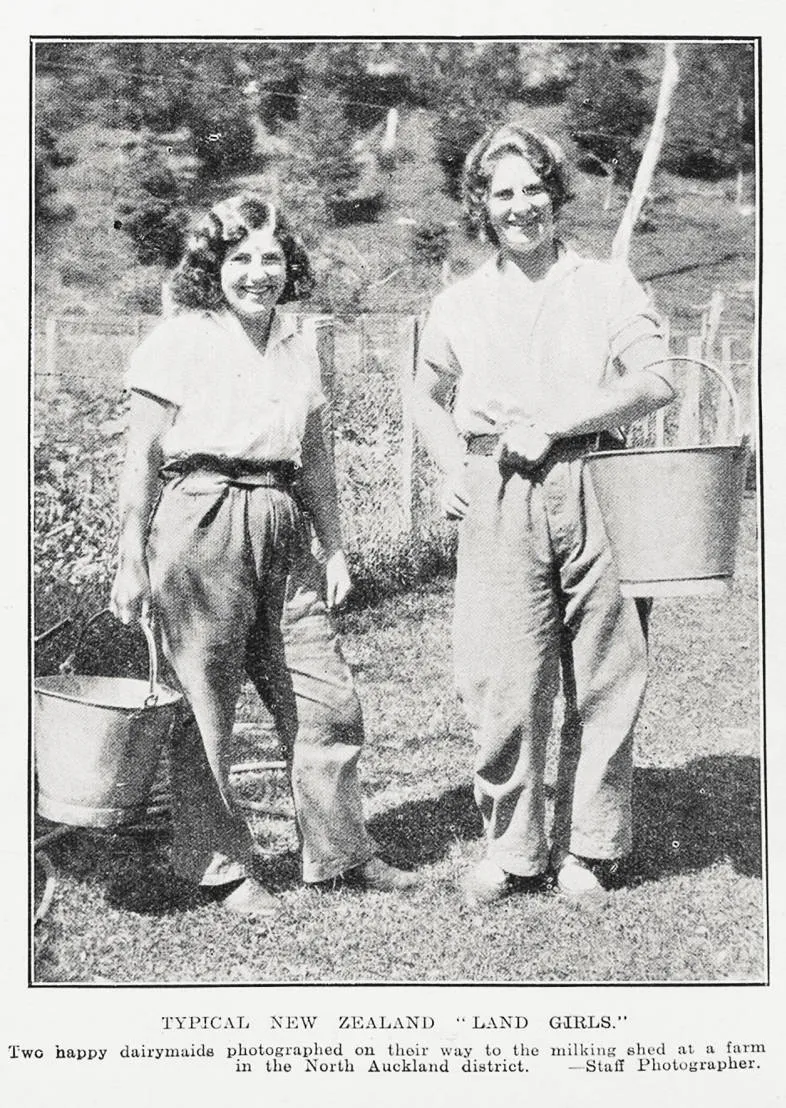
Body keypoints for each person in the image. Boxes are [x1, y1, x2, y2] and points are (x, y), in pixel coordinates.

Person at [111, 193, 415, 919]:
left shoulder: (298, 341)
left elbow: (316, 459)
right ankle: (220, 868)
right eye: (240, 257)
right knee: (205, 703)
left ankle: (341, 852)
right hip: (201, 515)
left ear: (290, 264)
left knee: (326, 695)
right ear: (212, 266)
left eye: (271, 257)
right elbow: (142, 457)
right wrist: (130, 559)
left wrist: (334, 547)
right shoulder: (180, 339)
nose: (258, 273)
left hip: (282, 517)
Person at [411, 123, 675, 907]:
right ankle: (513, 849)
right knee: (502, 677)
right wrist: (450, 465)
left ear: (556, 195)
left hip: (597, 478)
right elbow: (424, 395)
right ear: (481, 205)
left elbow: (654, 380)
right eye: (503, 193)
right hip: (498, 487)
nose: (520, 205)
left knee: (606, 670)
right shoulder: (459, 302)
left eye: (533, 188)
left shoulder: (607, 285)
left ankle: (592, 848)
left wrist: (558, 421)